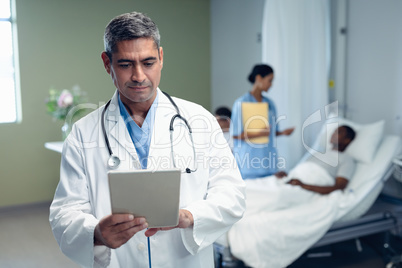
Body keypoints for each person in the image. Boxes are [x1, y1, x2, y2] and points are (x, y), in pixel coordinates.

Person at [49, 11, 246, 268]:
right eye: (125, 64)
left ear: (161, 58)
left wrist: (189, 216)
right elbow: (65, 212)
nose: (139, 76)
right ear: (107, 63)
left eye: (148, 62)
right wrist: (96, 232)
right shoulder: (83, 133)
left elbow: (232, 194)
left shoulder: (200, 120)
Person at [230, 64, 295, 179]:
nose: (271, 85)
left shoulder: (270, 104)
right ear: (259, 78)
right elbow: (235, 135)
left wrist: (283, 133)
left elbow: (271, 132)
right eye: (269, 80)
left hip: (268, 162)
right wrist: (259, 134)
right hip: (249, 162)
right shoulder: (241, 103)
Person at [275, 125, 357, 195]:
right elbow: (301, 173)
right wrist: (286, 175)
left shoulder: (347, 159)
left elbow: (339, 187)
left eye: (338, 132)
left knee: (274, 195)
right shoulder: (318, 154)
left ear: (347, 140)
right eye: (334, 131)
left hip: (306, 187)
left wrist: (303, 186)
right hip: (293, 181)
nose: (333, 134)